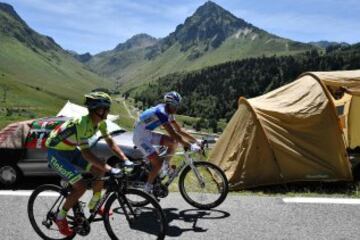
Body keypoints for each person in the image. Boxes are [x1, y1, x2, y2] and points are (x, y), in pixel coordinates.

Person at [45, 91, 133, 236]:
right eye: (105, 108)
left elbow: (111, 142)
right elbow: (87, 154)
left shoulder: (101, 123)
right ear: (96, 110)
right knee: (80, 186)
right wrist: (110, 168)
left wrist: (125, 159)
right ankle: (60, 217)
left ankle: (94, 206)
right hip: (56, 153)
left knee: (99, 172)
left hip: (71, 150)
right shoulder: (81, 124)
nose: (108, 112)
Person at [133, 91, 201, 193]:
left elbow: (179, 130)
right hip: (140, 137)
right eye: (174, 105)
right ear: (168, 104)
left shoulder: (169, 112)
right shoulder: (162, 113)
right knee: (157, 162)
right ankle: (147, 188)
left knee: (173, 142)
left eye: (178, 105)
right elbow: (173, 133)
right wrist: (190, 145)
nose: (176, 108)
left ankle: (165, 167)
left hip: (147, 133)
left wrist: (196, 140)